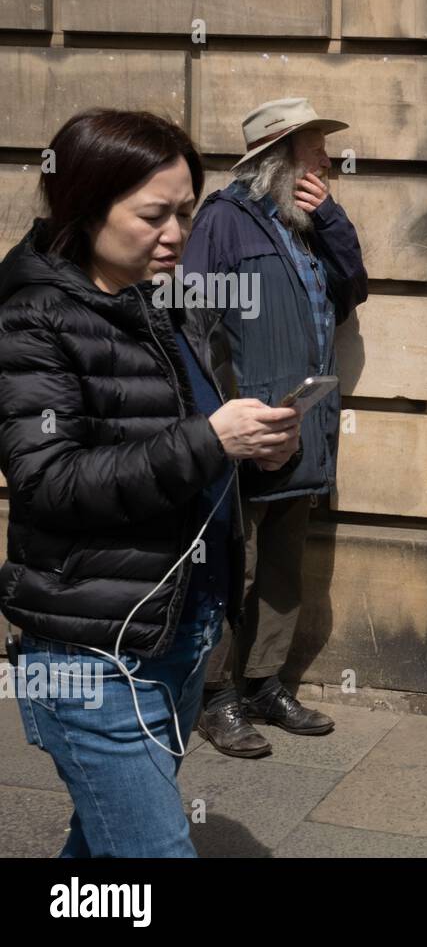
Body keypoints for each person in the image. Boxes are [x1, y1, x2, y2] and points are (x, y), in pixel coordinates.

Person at [0, 110, 301, 856]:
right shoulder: (32, 318)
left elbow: (186, 441)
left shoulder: (157, 300)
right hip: (89, 656)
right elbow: (49, 479)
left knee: (101, 845)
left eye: (186, 212)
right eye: (153, 214)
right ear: (85, 206)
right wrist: (210, 439)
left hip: (175, 630)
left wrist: (259, 450)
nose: (176, 232)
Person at [185, 98, 368, 758]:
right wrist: (225, 416)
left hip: (307, 427)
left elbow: (353, 290)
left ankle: (264, 682)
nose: (327, 162)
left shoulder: (306, 224)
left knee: (287, 566)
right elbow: (194, 323)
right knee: (230, 566)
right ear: (279, 158)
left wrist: (333, 218)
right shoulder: (224, 222)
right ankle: (213, 696)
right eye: (315, 151)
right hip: (247, 432)